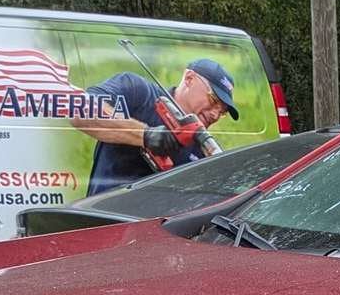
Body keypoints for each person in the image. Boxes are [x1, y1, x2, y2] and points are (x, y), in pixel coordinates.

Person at [73, 57, 239, 193]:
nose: (215, 114)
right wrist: (146, 135)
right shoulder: (138, 91)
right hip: (102, 221)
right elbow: (80, 109)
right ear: (189, 79)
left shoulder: (204, 149)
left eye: (222, 112)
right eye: (214, 100)